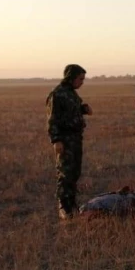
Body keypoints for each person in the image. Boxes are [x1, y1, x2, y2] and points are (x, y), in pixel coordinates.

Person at [46, 64, 92, 219]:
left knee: (74, 172)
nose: (82, 82)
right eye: (80, 79)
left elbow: (73, 110)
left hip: (75, 139)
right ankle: (64, 207)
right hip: (65, 140)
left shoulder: (72, 94)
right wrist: (56, 140)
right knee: (65, 173)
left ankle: (72, 203)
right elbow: (53, 120)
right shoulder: (57, 94)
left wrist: (84, 109)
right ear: (71, 77)